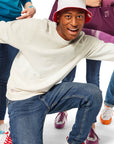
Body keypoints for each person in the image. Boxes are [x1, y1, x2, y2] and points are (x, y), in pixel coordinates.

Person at [0, 0, 114, 143]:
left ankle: (75, 141)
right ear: (57, 17)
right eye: (68, 16)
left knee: (93, 93)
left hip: (50, 95)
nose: (74, 22)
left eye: (79, 17)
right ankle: (16, 131)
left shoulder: (83, 42)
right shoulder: (35, 29)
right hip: (23, 99)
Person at [49, 0, 114, 143]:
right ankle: (62, 111)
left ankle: (90, 124)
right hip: (72, 28)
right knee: (68, 74)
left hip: (97, 30)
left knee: (93, 77)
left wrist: (101, 2)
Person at [0, 0, 36, 132]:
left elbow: (25, 1)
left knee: (11, 77)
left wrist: (29, 6)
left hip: (15, 25)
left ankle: (1, 123)